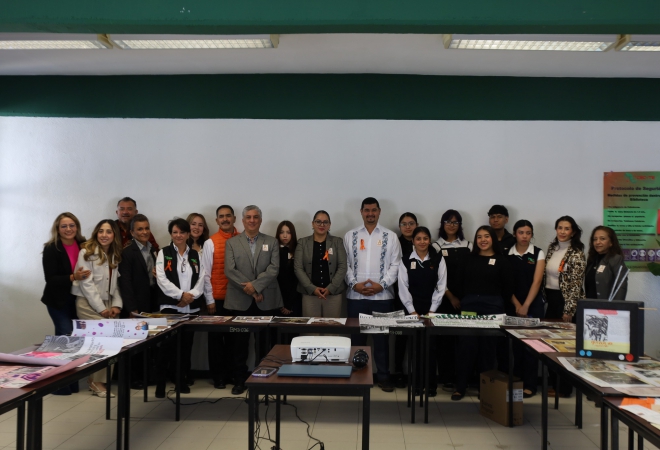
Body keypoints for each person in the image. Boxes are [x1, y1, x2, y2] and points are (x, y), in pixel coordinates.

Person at [344, 197, 402, 392]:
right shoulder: (350, 235)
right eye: (367, 210)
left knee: (381, 341)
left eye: (374, 210)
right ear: (361, 212)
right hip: (356, 298)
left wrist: (382, 285)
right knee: (357, 340)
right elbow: (345, 265)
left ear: (379, 211)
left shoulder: (390, 236)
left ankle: (384, 377)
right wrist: (355, 285)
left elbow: (396, 265)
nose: (370, 214)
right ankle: (357, 377)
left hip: (382, 298)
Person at [224, 205, 282, 395]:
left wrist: (255, 286)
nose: (252, 220)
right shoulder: (232, 243)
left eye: (255, 217)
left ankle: (264, 380)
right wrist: (251, 290)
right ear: (242, 220)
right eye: (248, 217)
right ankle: (240, 381)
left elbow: (274, 269)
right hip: (240, 302)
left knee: (264, 343)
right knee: (239, 344)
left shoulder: (271, 242)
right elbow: (230, 270)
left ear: (260, 220)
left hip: (265, 301)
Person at [452, 225, 514, 401]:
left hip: (492, 308)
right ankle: (460, 387)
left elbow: (508, 288)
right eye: (479, 237)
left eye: (486, 236)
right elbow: (458, 282)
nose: (483, 240)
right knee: (466, 347)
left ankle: (484, 388)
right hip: (469, 306)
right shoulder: (468, 259)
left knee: (488, 349)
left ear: (493, 238)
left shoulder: (502, 261)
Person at [71, 219, 124, 398]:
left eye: (108, 231)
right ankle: (97, 382)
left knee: (114, 338)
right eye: (101, 231)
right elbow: (86, 285)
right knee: (107, 337)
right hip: (87, 303)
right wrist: (101, 309)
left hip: (107, 303)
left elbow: (115, 285)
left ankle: (96, 380)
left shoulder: (114, 254)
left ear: (114, 235)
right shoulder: (86, 253)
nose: (104, 235)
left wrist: (116, 304)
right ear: (96, 233)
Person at [154, 218, 206, 398]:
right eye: (175, 232)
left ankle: (180, 381)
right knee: (166, 347)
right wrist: (180, 295)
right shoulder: (164, 253)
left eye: (182, 232)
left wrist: (191, 296)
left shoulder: (195, 254)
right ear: (171, 234)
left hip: (191, 308)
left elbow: (201, 279)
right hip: (171, 306)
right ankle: (161, 383)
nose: (178, 235)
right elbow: (161, 279)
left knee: (185, 347)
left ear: (188, 234)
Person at [41, 212, 90, 395]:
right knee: (65, 337)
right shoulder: (51, 248)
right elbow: (50, 278)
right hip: (58, 300)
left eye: (72, 225)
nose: (68, 229)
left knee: (74, 340)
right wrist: (73, 277)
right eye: (64, 226)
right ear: (58, 228)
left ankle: (70, 383)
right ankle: (59, 385)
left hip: (78, 299)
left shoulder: (84, 244)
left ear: (77, 227)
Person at [397, 226, 447, 396]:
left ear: (429, 240)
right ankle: (417, 385)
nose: (422, 242)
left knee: (431, 348)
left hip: (432, 310)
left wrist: (432, 311)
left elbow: (441, 286)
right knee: (415, 349)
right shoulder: (405, 260)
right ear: (413, 241)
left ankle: (431, 386)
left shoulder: (438, 259)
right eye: (418, 239)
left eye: (425, 238)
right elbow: (403, 287)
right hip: (412, 310)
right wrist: (412, 311)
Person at [431, 209, 472, 392]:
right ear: (442, 224)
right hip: (445, 300)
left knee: (465, 341)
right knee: (445, 341)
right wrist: (451, 296)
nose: (451, 225)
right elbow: (436, 277)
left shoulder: (468, 245)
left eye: (455, 222)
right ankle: (446, 377)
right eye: (448, 221)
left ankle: (464, 378)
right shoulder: (436, 246)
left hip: (467, 300)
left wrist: (465, 298)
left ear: (460, 225)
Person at [544, 215, 586, 398]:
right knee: (550, 344)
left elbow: (576, 285)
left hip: (566, 301)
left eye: (566, 228)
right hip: (552, 300)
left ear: (573, 232)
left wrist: (569, 310)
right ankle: (556, 384)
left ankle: (565, 388)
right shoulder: (553, 248)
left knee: (564, 347)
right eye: (559, 227)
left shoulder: (577, 253)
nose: (562, 231)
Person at [118, 214, 159, 390]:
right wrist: (131, 308)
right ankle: (133, 378)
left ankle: (146, 375)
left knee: (148, 341)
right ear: (132, 233)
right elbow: (125, 283)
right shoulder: (128, 252)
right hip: (136, 304)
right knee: (135, 343)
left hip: (150, 301)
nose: (144, 232)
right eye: (140, 229)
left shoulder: (153, 249)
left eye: (146, 228)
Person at [202, 205, 240, 389]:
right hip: (217, 300)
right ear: (217, 220)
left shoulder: (243, 239)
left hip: (238, 300)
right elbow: (205, 274)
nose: (225, 219)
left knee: (235, 340)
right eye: (221, 216)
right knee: (216, 340)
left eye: (228, 216)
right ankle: (218, 376)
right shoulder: (210, 242)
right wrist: (209, 299)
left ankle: (233, 374)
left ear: (234, 218)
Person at [507, 220, 546, 398]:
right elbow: (505, 282)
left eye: (528, 233)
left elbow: (537, 282)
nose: (524, 236)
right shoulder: (507, 253)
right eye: (521, 232)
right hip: (512, 305)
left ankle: (530, 385)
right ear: (515, 234)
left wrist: (526, 305)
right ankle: (517, 382)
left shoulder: (538, 253)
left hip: (533, 305)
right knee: (515, 347)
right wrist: (517, 305)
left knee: (531, 346)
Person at [294, 210, 347, 319]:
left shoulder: (337, 242)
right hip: (310, 294)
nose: (322, 225)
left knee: (332, 327)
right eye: (318, 221)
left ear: (329, 225)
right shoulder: (302, 243)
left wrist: (331, 288)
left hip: (333, 295)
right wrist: (312, 288)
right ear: (312, 223)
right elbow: (298, 268)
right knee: (311, 328)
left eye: (325, 222)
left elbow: (342, 266)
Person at [392, 212, 418, 389]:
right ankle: (398, 373)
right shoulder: (395, 242)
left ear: (417, 225)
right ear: (399, 227)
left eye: (411, 223)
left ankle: (417, 373)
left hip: (420, 298)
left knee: (418, 338)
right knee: (400, 336)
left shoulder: (423, 242)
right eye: (404, 224)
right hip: (399, 297)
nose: (408, 227)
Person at [585, 226, 627, 300]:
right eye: (595, 239)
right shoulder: (592, 259)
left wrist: (616, 306)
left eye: (602, 239)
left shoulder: (616, 259)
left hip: (607, 305)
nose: (598, 242)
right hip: (589, 305)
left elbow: (621, 286)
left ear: (611, 242)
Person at [276, 221, 302, 317]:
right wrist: (281, 303)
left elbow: (297, 279)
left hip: (294, 297)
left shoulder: (298, 250)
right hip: (276, 298)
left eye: (288, 232)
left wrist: (289, 304)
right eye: (282, 232)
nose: (285, 235)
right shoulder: (274, 251)